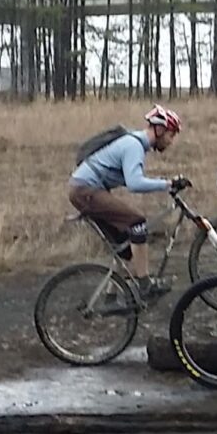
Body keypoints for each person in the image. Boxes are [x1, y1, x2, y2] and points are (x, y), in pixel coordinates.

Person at [69, 106, 191, 293]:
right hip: (86, 191)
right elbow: (135, 183)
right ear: (159, 130)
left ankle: (111, 297)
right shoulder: (134, 146)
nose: (171, 141)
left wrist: (167, 183)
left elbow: (128, 178)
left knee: (124, 246)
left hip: (84, 190)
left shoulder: (133, 143)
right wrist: (167, 184)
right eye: (171, 135)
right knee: (137, 221)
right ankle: (145, 284)